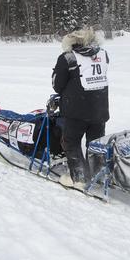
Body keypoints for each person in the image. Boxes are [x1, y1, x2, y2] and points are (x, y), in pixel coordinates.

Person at [51, 27, 109, 189]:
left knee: (71, 142)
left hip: (76, 111)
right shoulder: (103, 54)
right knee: (95, 143)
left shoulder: (68, 58)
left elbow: (57, 85)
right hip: (100, 108)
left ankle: (79, 178)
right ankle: (97, 173)